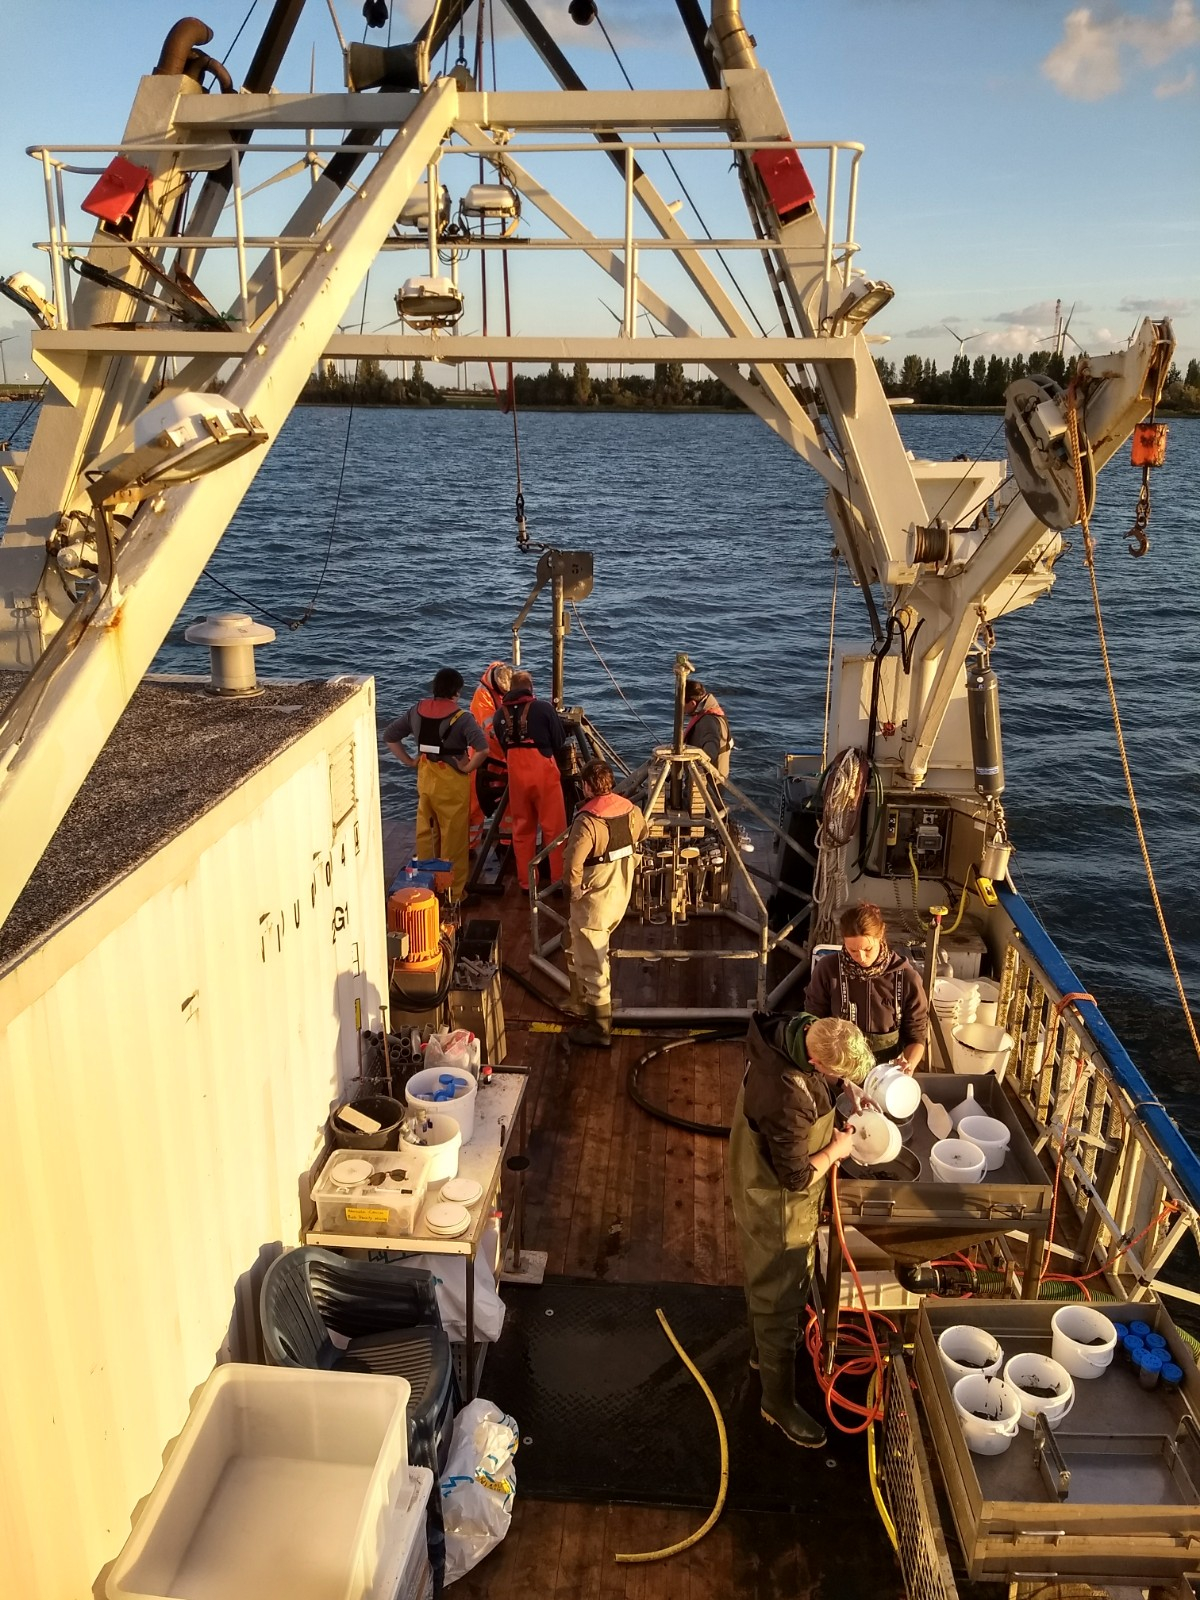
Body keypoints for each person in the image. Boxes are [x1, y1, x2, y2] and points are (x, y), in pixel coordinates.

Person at [730, 1012, 873, 1449]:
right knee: (780, 1296)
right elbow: (794, 1178)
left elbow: (821, 1078)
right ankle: (777, 1403)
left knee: (761, 1277)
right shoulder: (786, 1095)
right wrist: (837, 1149)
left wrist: (845, 1087)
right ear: (816, 1062)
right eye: (838, 1074)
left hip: (752, 1185)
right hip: (778, 1207)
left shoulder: (792, 1028)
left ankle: (760, 1356)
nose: (841, 1080)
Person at [562, 758, 647, 1048]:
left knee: (593, 963)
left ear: (586, 786)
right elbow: (643, 833)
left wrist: (573, 892)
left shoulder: (587, 821)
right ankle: (577, 1000)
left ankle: (599, 1029)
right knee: (571, 940)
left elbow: (573, 865)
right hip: (620, 894)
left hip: (594, 903)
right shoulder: (632, 811)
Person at [383, 668, 488, 902]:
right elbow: (483, 748)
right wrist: (468, 768)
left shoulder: (416, 711)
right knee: (454, 840)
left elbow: (390, 736)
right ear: (457, 692)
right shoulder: (463, 718)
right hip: (451, 782)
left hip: (426, 777)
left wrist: (409, 760)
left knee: (427, 834)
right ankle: (455, 894)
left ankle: (426, 889)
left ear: (435, 688)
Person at [804, 902, 929, 1070]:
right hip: (838, 1072)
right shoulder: (828, 969)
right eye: (852, 951)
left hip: (886, 1075)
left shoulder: (906, 978)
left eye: (868, 949)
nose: (861, 957)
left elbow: (917, 1036)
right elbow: (813, 1021)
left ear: (881, 935)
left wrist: (908, 1066)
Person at [492, 670, 569, 893]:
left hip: (516, 776)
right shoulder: (544, 708)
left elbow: (504, 745)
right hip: (543, 773)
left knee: (522, 830)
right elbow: (559, 740)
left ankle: (527, 883)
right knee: (554, 829)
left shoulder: (499, 715)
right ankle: (556, 881)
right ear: (530, 688)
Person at [469, 661, 512, 849]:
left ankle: (506, 843)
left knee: (509, 804)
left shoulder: (508, 683)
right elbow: (491, 730)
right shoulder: (482, 696)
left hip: (505, 757)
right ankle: (469, 846)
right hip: (483, 758)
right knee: (475, 805)